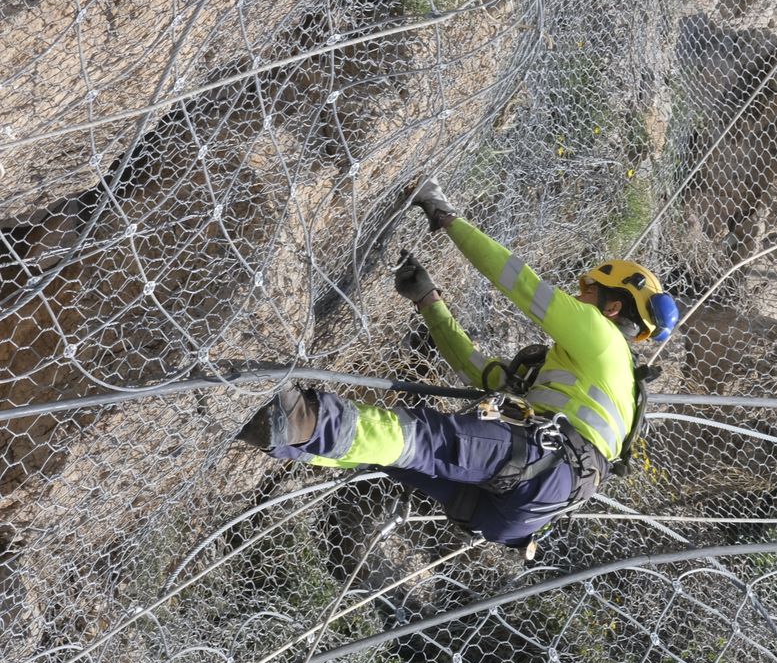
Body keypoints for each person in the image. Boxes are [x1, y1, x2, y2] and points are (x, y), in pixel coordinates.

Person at [237, 178, 680, 553]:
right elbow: (485, 377)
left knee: (420, 440)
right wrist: (430, 303)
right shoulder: (599, 383)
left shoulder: (600, 336)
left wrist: (445, 214)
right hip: (522, 514)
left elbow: (518, 282)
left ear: (613, 305)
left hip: (543, 462)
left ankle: (298, 421)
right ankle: (275, 434)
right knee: (398, 460)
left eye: (588, 292)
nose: (578, 297)